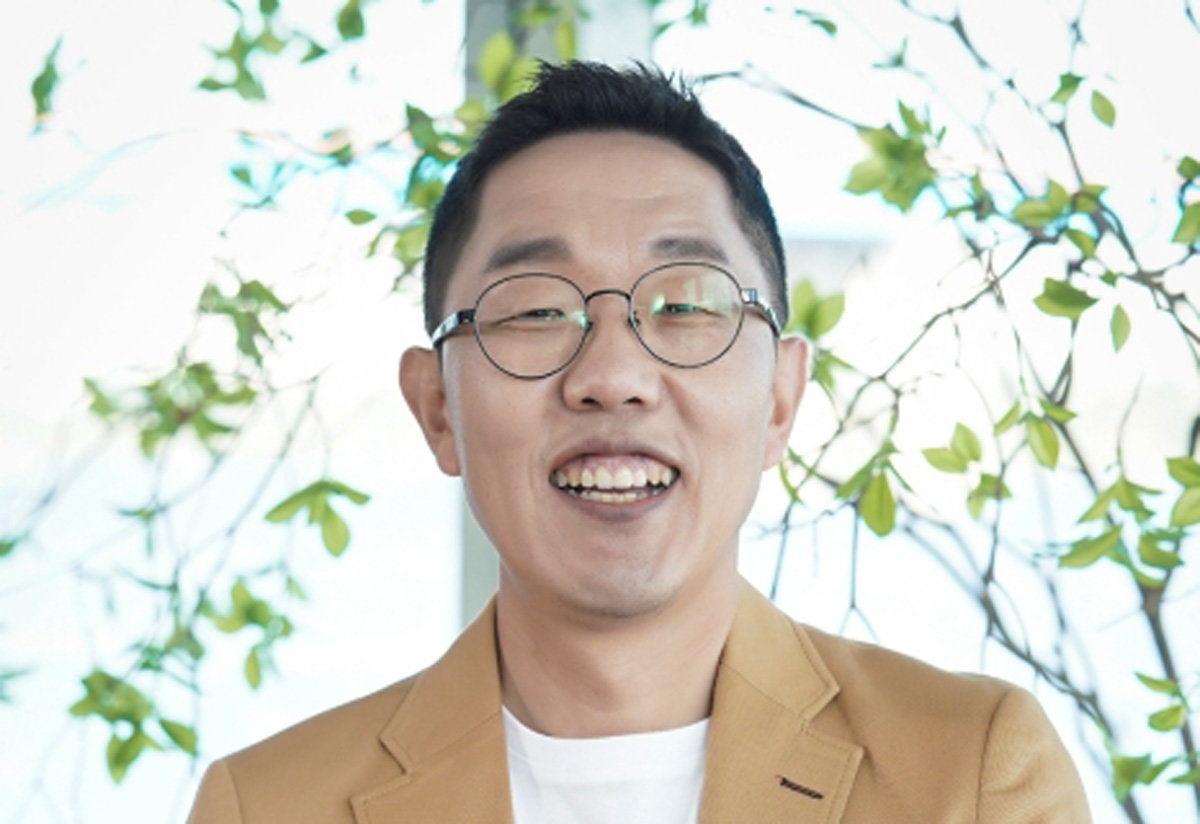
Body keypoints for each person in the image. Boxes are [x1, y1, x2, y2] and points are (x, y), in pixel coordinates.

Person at [188, 61, 1091, 823]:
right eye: (537, 311)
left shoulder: (970, 773)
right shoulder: (264, 806)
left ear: (781, 398)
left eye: (686, 305)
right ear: (437, 410)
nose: (613, 374)